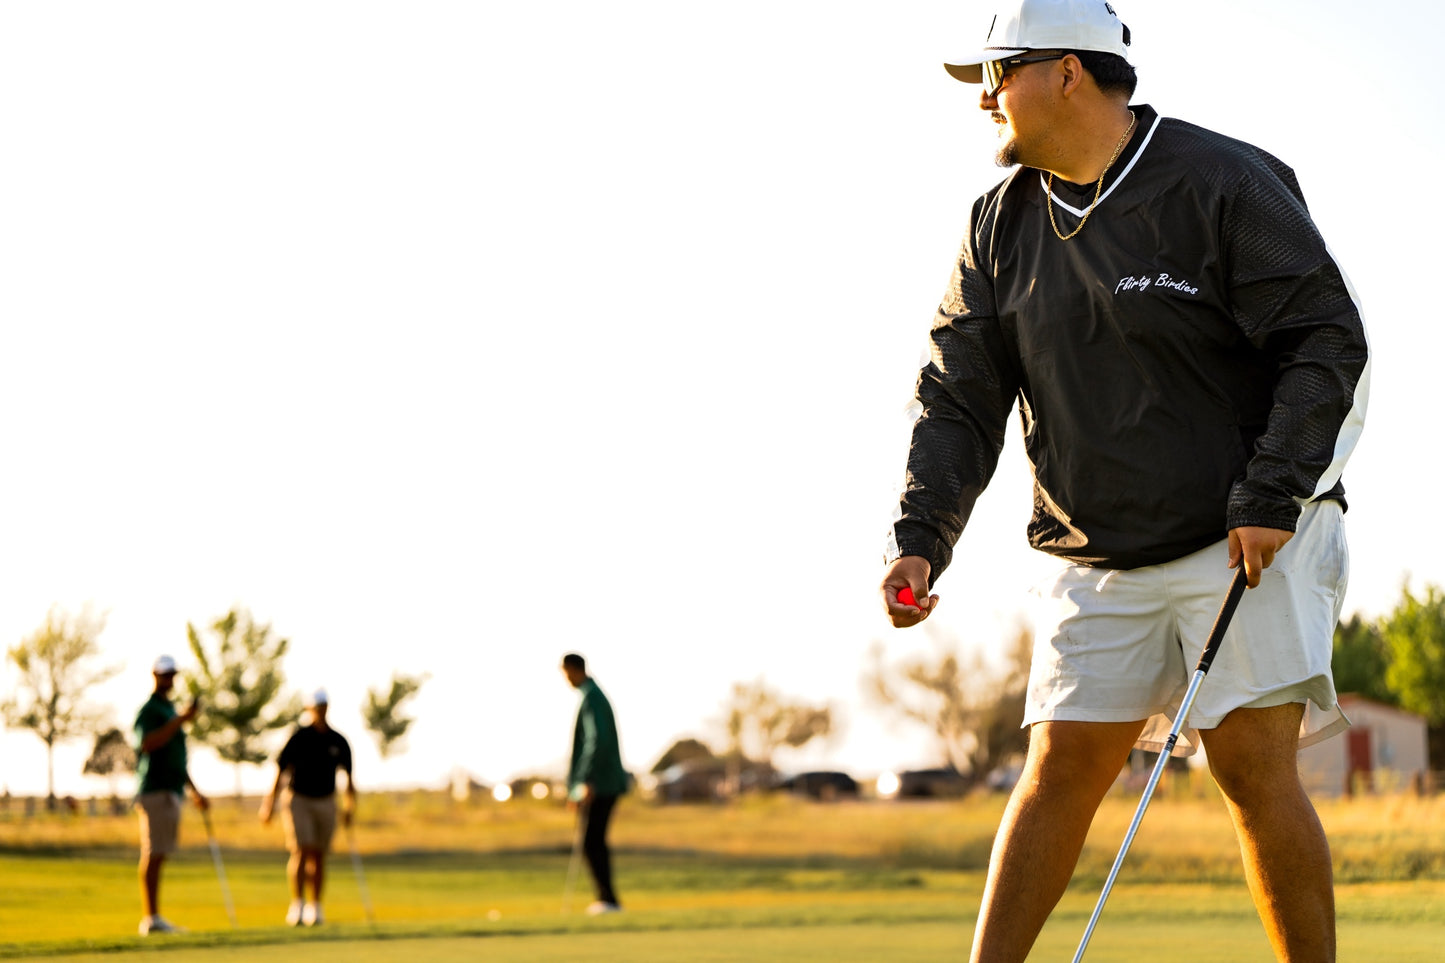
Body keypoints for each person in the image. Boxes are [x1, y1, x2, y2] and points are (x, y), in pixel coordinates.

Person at [879, 2, 1370, 961]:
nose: (984, 97)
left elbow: (1324, 340)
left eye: (999, 72)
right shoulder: (997, 225)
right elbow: (957, 397)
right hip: (1091, 543)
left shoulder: (1223, 180)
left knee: (1248, 770)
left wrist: (1272, 495)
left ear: (1067, 71)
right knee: (1058, 766)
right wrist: (919, 536)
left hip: (1242, 539)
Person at [259, 688, 355, 926]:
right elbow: (280, 771)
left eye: (323, 707)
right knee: (301, 850)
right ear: (309, 709)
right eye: (316, 707)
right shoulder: (299, 737)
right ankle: (297, 904)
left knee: (319, 855)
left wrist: (350, 808)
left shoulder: (338, 740)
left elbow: (349, 780)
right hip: (298, 799)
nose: (320, 711)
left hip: (326, 800)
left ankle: (315, 907)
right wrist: (269, 803)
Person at [133, 654, 209, 936]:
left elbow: (177, 760)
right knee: (153, 852)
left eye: (172, 675)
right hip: (154, 789)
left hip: (172, 789)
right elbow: (147, 743)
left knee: (161, 853)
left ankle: (154, 916)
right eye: (165, 675)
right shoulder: (151, 711)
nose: (170, 680)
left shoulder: (169, 709)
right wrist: (180, 720)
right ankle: (150, 918)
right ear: (155, 676)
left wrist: (195, 791)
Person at [560, 653, 629, 915]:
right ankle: (606, 898)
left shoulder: (592, 697)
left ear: (574, 670)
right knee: (593, 840)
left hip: (601, 782)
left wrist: (586, 780)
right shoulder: (591, 695)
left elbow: (595, 741)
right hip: (602, 781)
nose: (566, 679)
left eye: (566, 673)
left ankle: (608, 899)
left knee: (592, 841)